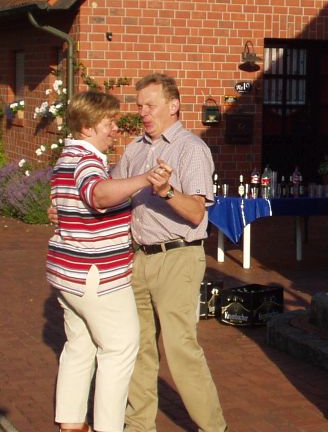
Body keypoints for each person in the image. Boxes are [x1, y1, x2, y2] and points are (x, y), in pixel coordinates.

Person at [118, 73, 227, 432]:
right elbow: (114, 194)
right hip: (138, 258)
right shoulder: (134, 149)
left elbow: (196, 212)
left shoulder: (191, 149)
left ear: (174, 105)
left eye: (150, 105)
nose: (143, 113)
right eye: (140, 106)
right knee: (138, 348)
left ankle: (213, 428)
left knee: (181, 348)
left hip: (178, 257)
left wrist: (165, 190)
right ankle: (139, 426)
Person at [48, 90, 157, 432]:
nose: (115, 129)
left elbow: (72, 204)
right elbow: (97, 194)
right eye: (108, 122)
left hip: (69, 274)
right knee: (120, 349)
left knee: (79, 346)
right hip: (97, 276)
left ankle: (71, 423)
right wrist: (146, 178)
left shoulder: (66, 157)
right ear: (87, 127)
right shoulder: (86, 160)